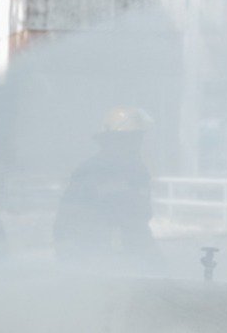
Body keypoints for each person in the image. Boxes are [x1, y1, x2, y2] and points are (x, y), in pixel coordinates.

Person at [53, 107, 161, 270]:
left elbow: (137, 223)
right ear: (111, 140)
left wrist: (153, 259)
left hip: (127, 260)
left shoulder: (137, 173)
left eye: (138, 138)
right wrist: (72, 257)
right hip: (93, 259)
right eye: (129, 139)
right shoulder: (91, 172)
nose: (136, 145)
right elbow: (68, 217)